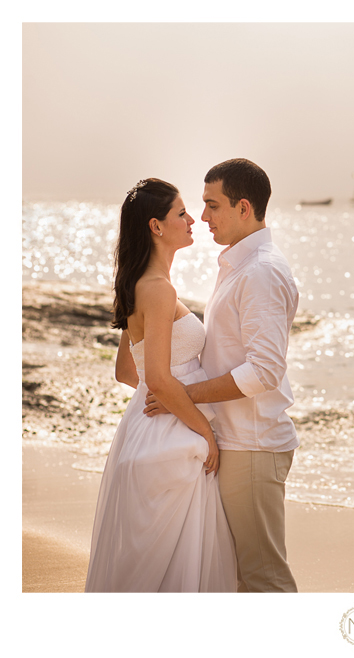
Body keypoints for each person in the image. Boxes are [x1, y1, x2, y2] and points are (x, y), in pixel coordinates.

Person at [145, 159, 300, 592]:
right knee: (238, 578)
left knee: (263, 580)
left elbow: (265, 371)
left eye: (213, 206)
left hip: (252, 444)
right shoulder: (239, 265)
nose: (204, 217)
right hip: (235, 441)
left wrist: (185, 394)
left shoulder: (261, 272)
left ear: (244, 208)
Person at [85, 178, 237, 592]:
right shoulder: (158, 290)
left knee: (155, 568)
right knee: (173, 570)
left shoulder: (141, 286)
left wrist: (166, 391)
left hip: (147, 429)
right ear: (156, 226)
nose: (192, 221)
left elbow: (126, 371)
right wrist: (205, 430)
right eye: (182, 213)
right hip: (171, 436)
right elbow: (153, 377)